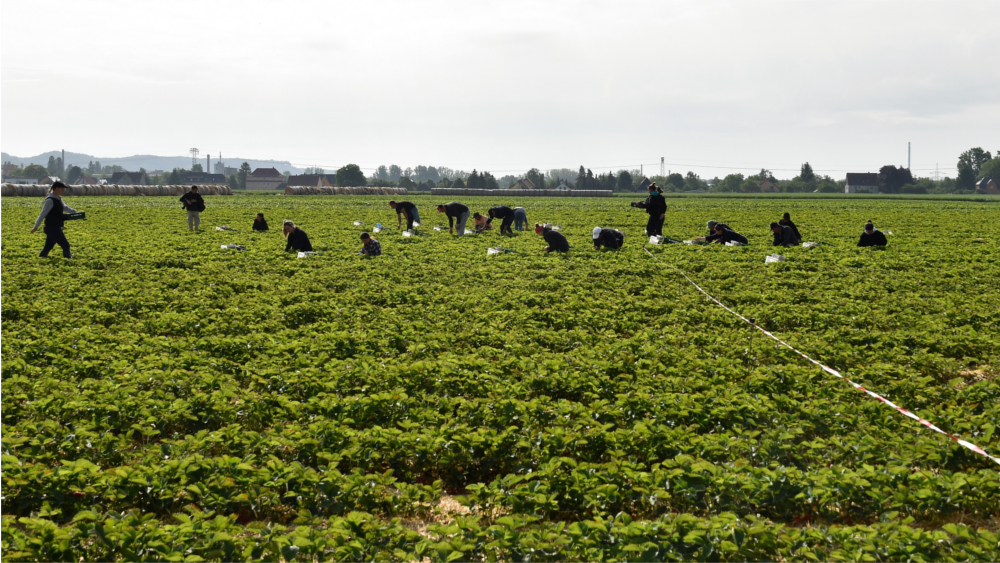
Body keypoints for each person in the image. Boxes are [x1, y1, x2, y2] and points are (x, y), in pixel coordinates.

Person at [31, 181, 78, 258]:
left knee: (47, 247)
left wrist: (75, 212)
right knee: (65, 245)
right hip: (51, 227)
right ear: (56, 188)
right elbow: (42, 214)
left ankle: (41, 258)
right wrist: (35, 227)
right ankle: (68, 261)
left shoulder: (58, 198)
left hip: (55, 226)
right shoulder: (50, 200)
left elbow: (65, 207)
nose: (63, 190)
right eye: (62, 188)